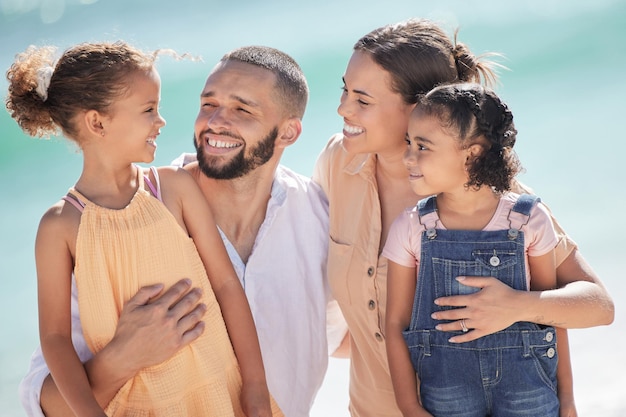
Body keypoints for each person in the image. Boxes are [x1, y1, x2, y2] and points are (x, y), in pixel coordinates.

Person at [16, 45, 347, 417]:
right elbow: (46, 379)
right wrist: (121, 359)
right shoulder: (73, 226)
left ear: (288, 132)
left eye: (242, 109)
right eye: (208, 104)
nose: (215, 121)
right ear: (97, 122)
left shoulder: (316, 217)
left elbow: (352, 332)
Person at [312, 18, 614, 417]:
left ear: (421, 108)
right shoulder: (339, 163)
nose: (342, 108)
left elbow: (598, 305)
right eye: (344, 90)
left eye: (362, 100)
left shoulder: (496, 205)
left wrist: (517, 306)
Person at [384, 83, 571, 416]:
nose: (408, 156)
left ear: (471, 153)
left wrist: (568, 400)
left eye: (423, 146)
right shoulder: (412, 227)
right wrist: (408, 406)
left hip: (528, 389)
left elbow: (551, 315)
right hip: (445, 392)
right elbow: (396, 324)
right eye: (408, 143)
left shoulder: (528, 220)